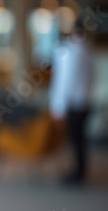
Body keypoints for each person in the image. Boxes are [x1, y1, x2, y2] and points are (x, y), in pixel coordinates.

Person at [49, 20, 95, 186]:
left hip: (73, 104)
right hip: (84, 101)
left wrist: (58, 107)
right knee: (80, 139)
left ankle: (78, 173)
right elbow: (91, 77)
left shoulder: (68, 51)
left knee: (75, 140)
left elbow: (63, 82)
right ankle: (79, 171)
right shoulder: (88, 50)